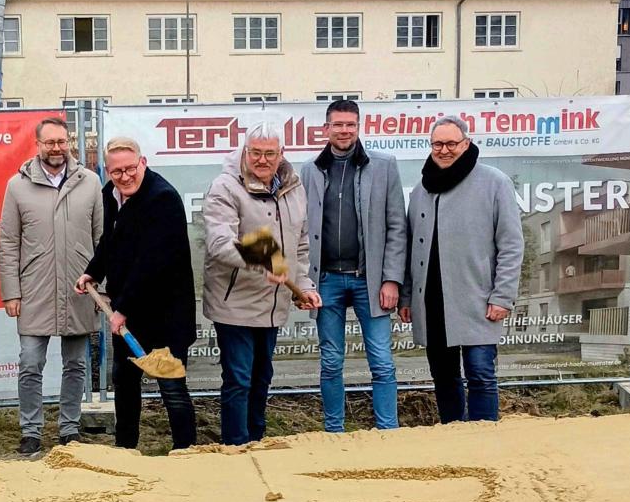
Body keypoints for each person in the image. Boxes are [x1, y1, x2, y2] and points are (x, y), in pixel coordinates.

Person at [74, 137, 197, 451]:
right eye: (117, 172)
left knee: (170, 384)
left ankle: (187, 450)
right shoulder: (110, 195)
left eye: (130, 168)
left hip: (165, 313)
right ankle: (126, 446)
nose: (125, 176)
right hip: (128, 311)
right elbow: (110, 242)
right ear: (108, 171)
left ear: (143, 163)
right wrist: (93, 271)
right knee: (125, 382)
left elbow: (151, 262)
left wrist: (122, 309)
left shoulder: (162, 199)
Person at [202, 121, 320, 445]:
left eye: (270, 153)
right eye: (256, 152)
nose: (263, 160)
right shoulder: (225, 187)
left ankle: (257, 439)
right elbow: (219, 243)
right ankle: (236, 446)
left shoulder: (294, 187)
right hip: (234, 303)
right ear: (245, 151)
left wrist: (305, 285)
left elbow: (300, 245)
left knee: (261, 377)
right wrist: (259, 260)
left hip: (273, 303)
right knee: (239, 379)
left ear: (282, 153)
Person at [399, 116, 523, 423]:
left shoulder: (495, 183)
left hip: (478, 300)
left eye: (451, 143)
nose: (444, 150)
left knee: (481, 374)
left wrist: (502, 296)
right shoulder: (421, 191)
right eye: (437, 144)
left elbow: (511, 244)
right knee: (444, 378)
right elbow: (411, 248)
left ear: (465, 143)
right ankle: (453, 438)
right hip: (432, 303)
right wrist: (406, 297)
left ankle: (483, 442)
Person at [300, 99, 407, 433]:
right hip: (327, 281)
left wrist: (391, 279)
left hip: (370, 281)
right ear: (326, 128)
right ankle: (334, 432)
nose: (343, 130)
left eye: (350, 124)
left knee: (382, 361)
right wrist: (305, 281)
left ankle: (387, 431)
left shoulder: (384, 166)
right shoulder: (310, 170)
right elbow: (301, 229)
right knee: (331, 362)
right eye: (337, 124)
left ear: (359, 127)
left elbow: (396, 227)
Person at [0, 116, 103, 455]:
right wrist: (11, 292)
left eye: (62, 141)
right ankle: (31, 431)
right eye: (50, 142)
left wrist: (101, 287)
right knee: (30, 363)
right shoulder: (17, 186)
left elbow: (102, 240)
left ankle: (69, 430)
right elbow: (8, 242)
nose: (56, 148)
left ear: (69, 143)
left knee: (76, 365)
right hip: (34, 290)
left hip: (79, 288)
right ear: (38, 144)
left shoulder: (90, 182)